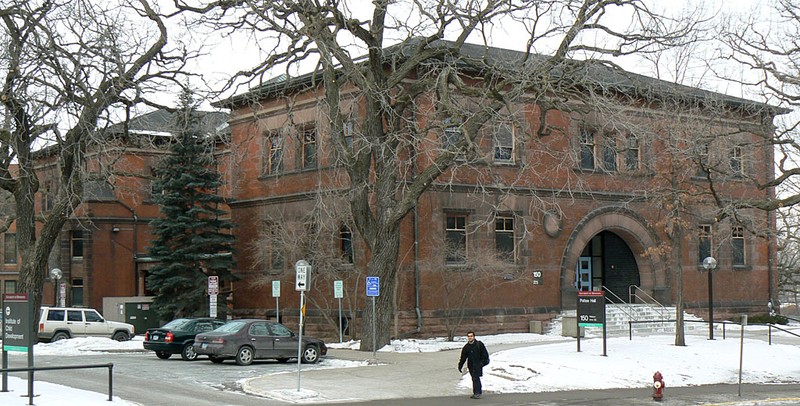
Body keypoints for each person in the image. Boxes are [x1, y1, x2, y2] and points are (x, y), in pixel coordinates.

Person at [458, 330, 490, 399]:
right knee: (474, 378)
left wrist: (482, 363)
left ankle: (477, 393)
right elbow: (463, 357)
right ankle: (476, 392)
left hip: (478, 364)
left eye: (471, 336)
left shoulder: (479, 344)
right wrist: (460, 366)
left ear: (474, 337)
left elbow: (485, 354)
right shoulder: (466, 347)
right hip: (471, 365)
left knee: (476, 378)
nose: (470, 338)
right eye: (469, 336)